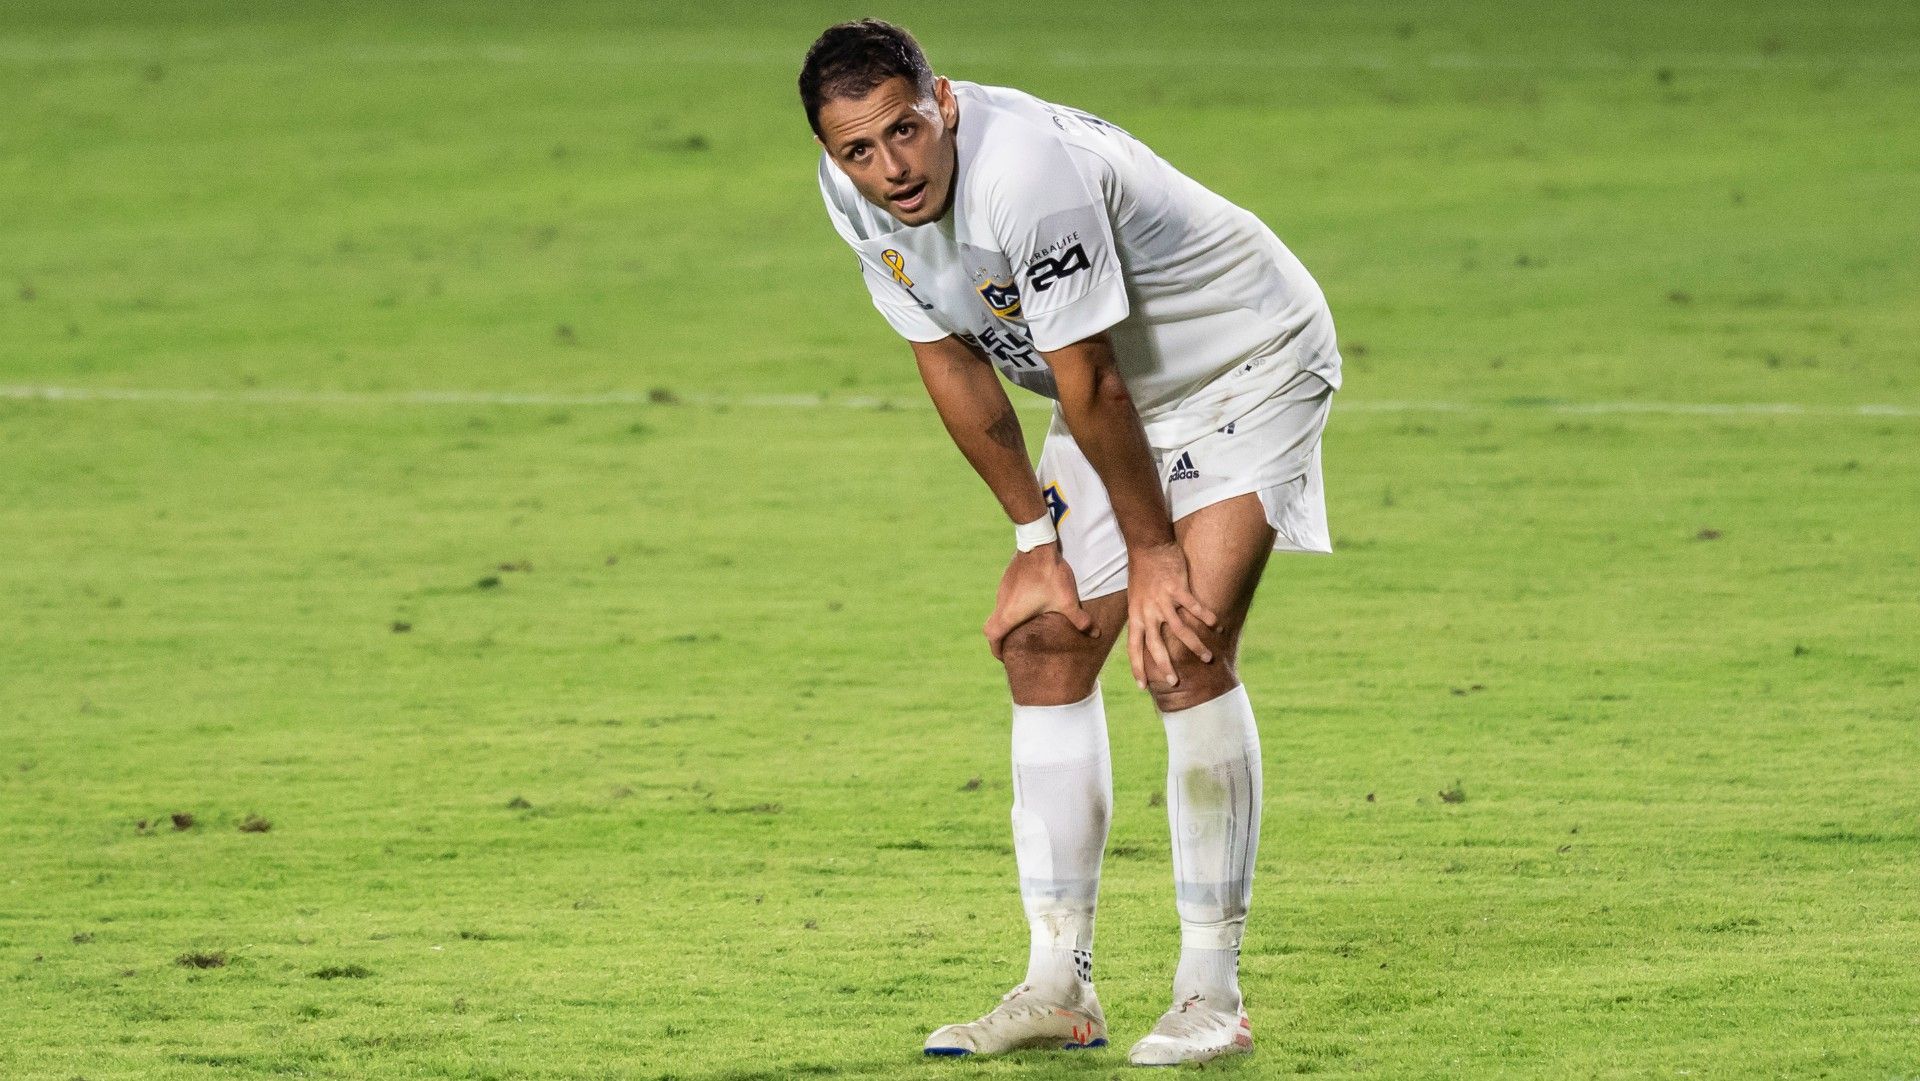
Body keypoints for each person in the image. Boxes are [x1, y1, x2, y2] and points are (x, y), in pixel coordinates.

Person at [799, 19, 1341, 1067]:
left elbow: (1087, 378)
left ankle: (1210, 994)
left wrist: (1154, 555)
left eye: (904, 131)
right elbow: (951, 361)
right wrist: (1031, 538)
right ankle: (1058, 984)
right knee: (1043, 639)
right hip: (1117, 399)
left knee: (1181, 643)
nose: (890, 168)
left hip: (1244, 362)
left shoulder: (1027, 174)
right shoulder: (853, 198)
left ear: (941, 99)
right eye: (856, 150)